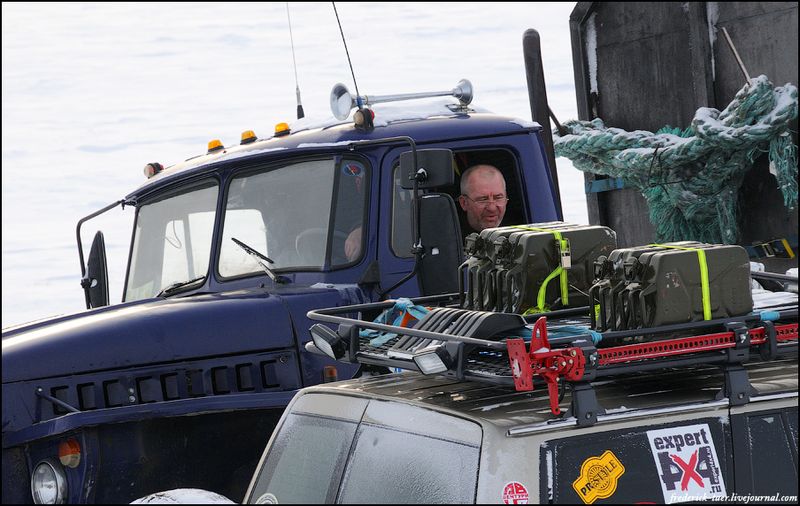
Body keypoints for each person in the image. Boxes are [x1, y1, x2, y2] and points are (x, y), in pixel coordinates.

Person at [457, 164, 508, 234]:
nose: (492, 208)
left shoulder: (521, 231)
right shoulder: (450, 238)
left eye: (498, 198)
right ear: (464, 203)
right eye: (483, 200)